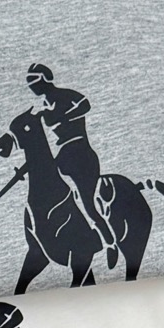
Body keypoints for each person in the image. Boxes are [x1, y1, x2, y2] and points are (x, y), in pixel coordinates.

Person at [16, 64, 119, 269]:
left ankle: (109, 241)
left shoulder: (66, 95)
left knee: (87, 203)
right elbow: (41, 148)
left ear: (45, 78)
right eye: (29, 83)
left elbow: (85, 105)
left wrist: (62, 115)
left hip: (81, 152)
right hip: (63, 153)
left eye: (34, 81)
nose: (32, 87)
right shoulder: (44, 108)